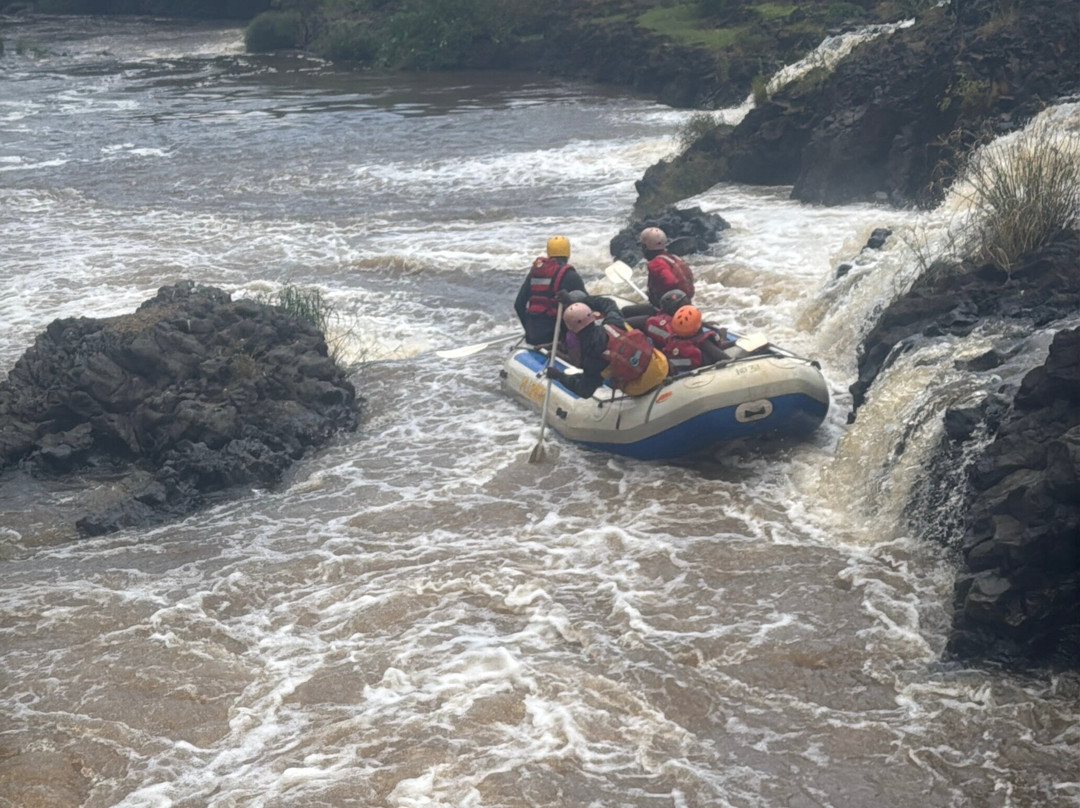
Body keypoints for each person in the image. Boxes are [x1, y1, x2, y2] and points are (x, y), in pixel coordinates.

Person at [545, 302, 668, 398]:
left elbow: (584, 391)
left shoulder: (592, 358)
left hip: (639, 388)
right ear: (592, 315)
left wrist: (559, 376)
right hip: (662, 367)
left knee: (605, 378)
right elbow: (608, 303)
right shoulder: (615, 322)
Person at [514, 235, 586, 346]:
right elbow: (587, 304)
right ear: (568, 253)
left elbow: (519, 304)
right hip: (556, 337)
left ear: (549, 253)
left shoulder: (535, 274)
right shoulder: (570, 276)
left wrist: (529, 330)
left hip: (532, 336)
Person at [661, 304, 730, 373]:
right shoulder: (703, 342)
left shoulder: (673, 340)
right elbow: (725, 358)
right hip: (705, 371)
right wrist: (728, 339)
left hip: (682, 371)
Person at [639, 226, 695, 309]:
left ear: (646, 247)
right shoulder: (675, 258)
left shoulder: (656, 263)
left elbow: (670, 282)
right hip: (687, 305)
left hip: (671, 310)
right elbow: (690, 277)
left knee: (626, 311)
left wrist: (664, 301)